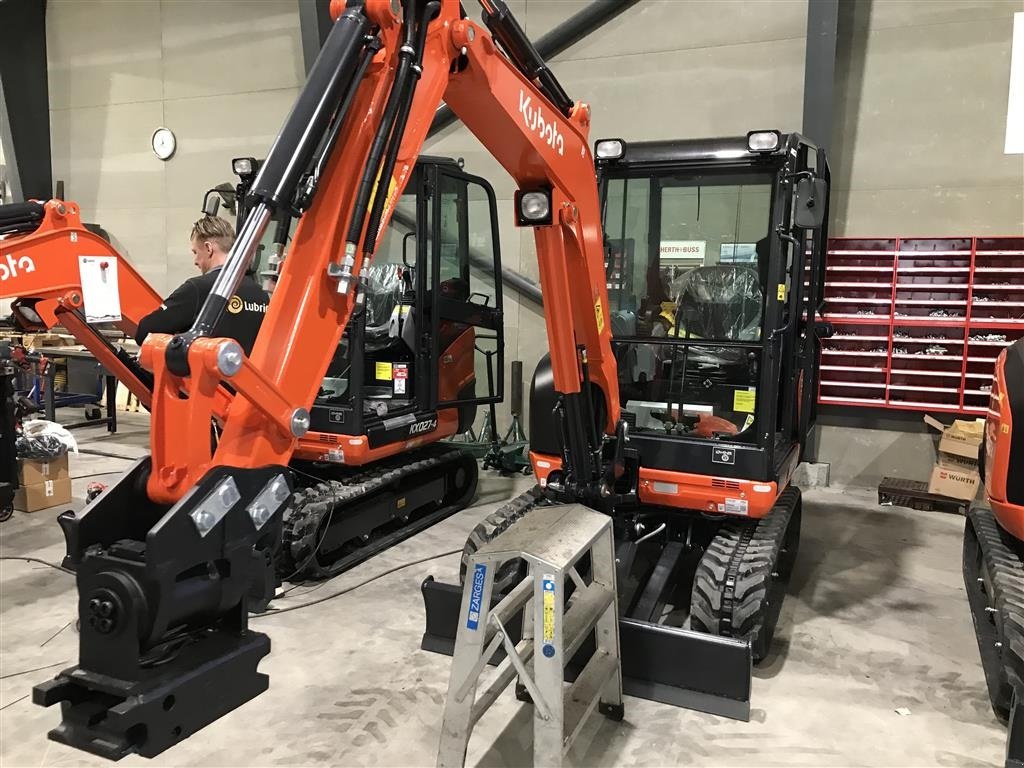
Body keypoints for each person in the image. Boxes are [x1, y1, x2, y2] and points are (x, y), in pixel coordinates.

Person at [134, 216, 268, 355]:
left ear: (208, 248)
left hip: (211, 375)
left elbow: (144, 331)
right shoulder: (262, 294)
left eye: (195, 252)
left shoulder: (197, 288)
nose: (195, 261)